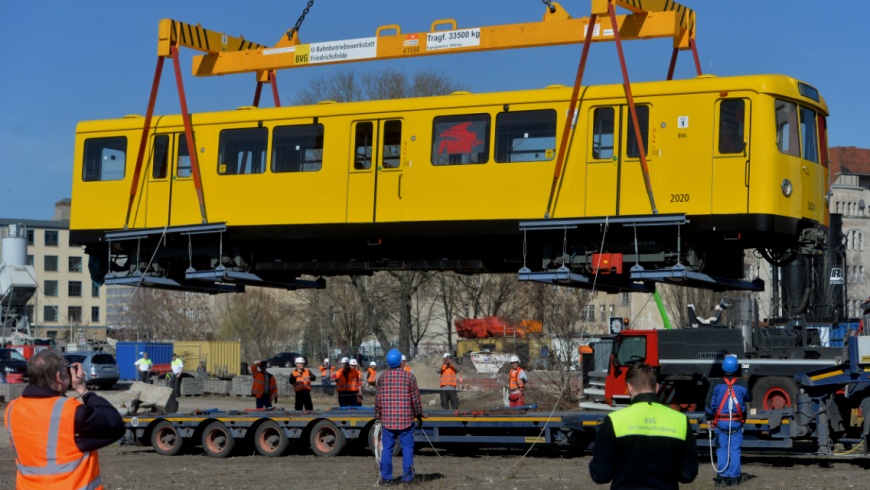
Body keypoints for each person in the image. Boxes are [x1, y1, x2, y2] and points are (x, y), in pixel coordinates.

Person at [5, 348, 125, 489]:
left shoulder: (12, 409)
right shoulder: (71, 412)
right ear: (58, 377)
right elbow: (114, 424)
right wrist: (83, 390)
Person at [590, 363, 698, 489]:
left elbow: (601, 474)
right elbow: (688, 474)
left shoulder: (614, 421)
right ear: (657, 387)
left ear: (629, 387)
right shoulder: (681, 421)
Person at [375, 349, 424, 486]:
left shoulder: (382, 378)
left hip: (388, 422)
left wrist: (378, 416)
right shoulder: (409, 378)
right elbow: (415, 400)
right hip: (406, 421)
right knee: (407, 449)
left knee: (387, 450)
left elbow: (378, 401)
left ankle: (386, 478)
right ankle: (408, 479)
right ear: (401, 362)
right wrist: (419, 414)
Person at [705, 354, 751, 487]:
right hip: (736, 422)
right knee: (735, 450)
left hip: (721, 423)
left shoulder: (716, 384)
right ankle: (735, 478)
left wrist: (709, 418)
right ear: (736, 368)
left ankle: (722, 478)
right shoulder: (743, 384)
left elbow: (709, 404)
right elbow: (749, 397)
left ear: (723, 368)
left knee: (722, 450)